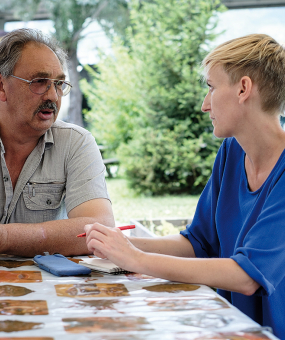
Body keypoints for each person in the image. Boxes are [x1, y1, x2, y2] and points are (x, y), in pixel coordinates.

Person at [84, 34, 285, 338]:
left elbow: (247, 277)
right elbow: (199, 244)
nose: (205, 105)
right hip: (228, 326)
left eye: (211, 87)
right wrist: (119, 244)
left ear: (243, 88)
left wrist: (136, 259)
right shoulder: (231, 152)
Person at [0, 28, 114, 261]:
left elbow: (99, 229)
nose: (53, 96)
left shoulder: (76, 143)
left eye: (58, 84)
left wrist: (3, 238)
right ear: (1, 86)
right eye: (40, 82)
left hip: (47, 291)